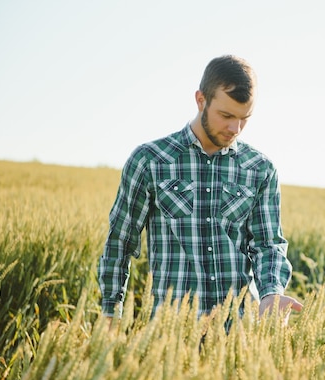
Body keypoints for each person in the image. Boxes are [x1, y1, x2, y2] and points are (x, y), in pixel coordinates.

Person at [97, 55, 302, 324]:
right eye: (226, 115)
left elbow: (268, 244)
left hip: (238, 336)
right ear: (200, 100)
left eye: (244, 118)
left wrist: (271, 293)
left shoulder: (259, 168)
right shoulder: (150, 160)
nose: (235, 128)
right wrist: (111, 313)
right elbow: (120, 243)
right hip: (170, 334)